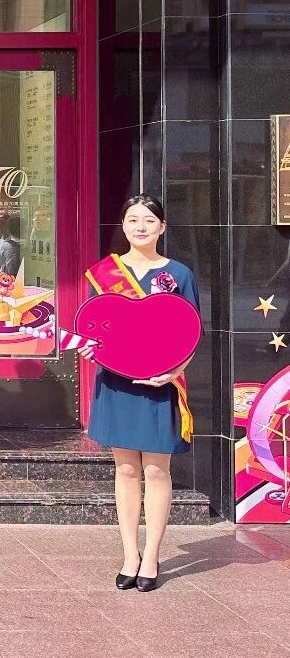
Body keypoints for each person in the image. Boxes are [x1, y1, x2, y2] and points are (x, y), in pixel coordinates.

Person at [79, 194, 200, 593]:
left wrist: (173, 372)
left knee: (157, 469)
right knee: (127, 469)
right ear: (124, 226)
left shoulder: (179, 274)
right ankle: (129, 554)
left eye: (149, 220)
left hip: (160, 384)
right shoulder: (105, 274)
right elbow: (95, 327)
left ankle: (151, 556)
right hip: (118, 382)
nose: (141, 227)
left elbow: (192, 332)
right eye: (133, 220)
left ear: (162, 227)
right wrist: (89, 346)